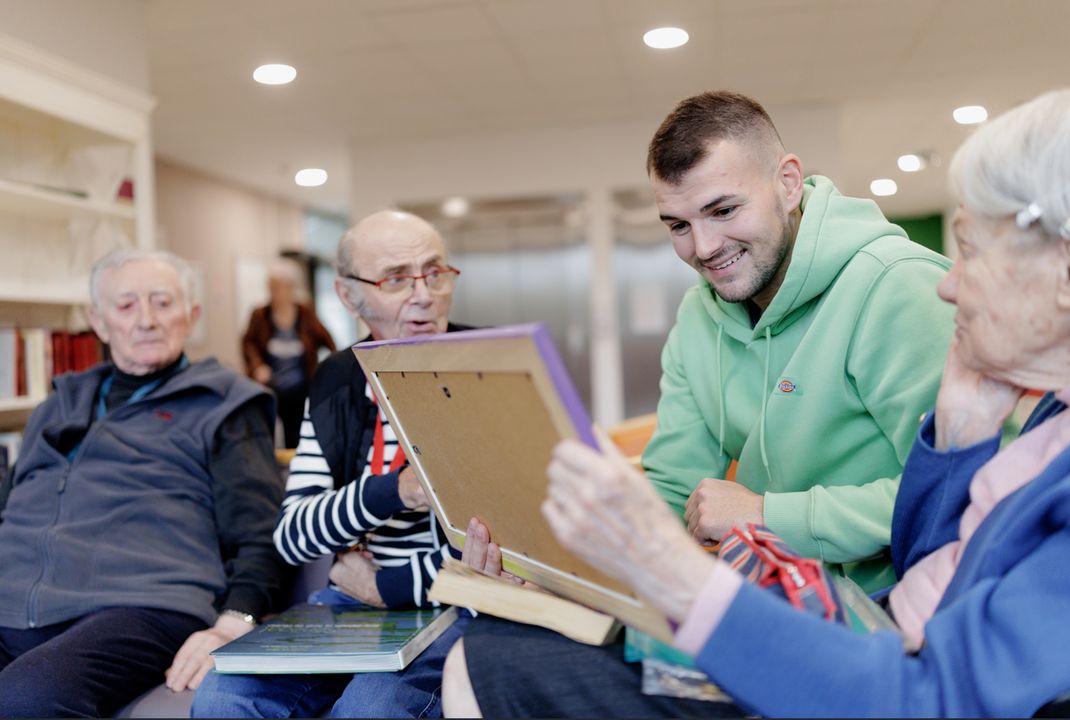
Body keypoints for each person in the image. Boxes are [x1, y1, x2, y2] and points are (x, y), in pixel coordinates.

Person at [444, 89, 1070, 717]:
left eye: (723, 210)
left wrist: (772, 514)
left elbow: (957, 529)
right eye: (679, 226)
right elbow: (670, 486)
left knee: (486, 666)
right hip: (793, 603)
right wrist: (564, 566)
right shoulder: (699, 315)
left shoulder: (896, 288)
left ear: (789, 182)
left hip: (857, 619)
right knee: (498, 644)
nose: (705, 247)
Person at [193, 209, 471, 719]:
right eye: (395, 279)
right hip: (349, 603)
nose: (424, 294)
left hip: (460, 605)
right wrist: (398, 490)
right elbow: (295, 534)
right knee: (222, 700)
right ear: (349, 297)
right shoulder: (336, 378)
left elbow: (513, 554)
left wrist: (384, 587)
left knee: (373, 709)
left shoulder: (491, 364)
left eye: (434, 272)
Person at [0, 249, 283, 717]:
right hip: (14, 598)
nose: (146, 320)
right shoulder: (59, 403)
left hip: (139, 605)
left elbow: (262, 531)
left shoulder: (226, 404)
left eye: (163, 303)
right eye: (126, 305)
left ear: (191, 315)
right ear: (99, 320)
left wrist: (235, 621)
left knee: (23, 699)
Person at [242, 256, 336, 448]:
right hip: (272, 387)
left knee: (297, 434)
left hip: (301, 387)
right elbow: (248, 343)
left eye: (277, 286)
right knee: (266, 432)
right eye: (270, 286)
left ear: (290, 287)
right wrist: (257, 366)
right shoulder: (260, 315)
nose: (273, 291)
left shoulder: (305, 313)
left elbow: (328, 340)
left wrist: (327, 370)